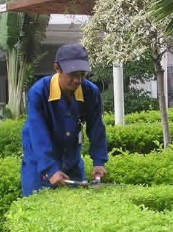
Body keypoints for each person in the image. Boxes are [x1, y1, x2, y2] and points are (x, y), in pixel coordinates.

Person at [21, 43, 108, 197]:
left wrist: (99, 162)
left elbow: (97, 128)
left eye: (82, 74)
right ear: (57, 68)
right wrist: (50, 169)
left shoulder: (91, 92)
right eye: (73, 74)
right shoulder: (39, 92)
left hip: (72, 161)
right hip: (39, 164)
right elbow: (38, 133)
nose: (78, 80)